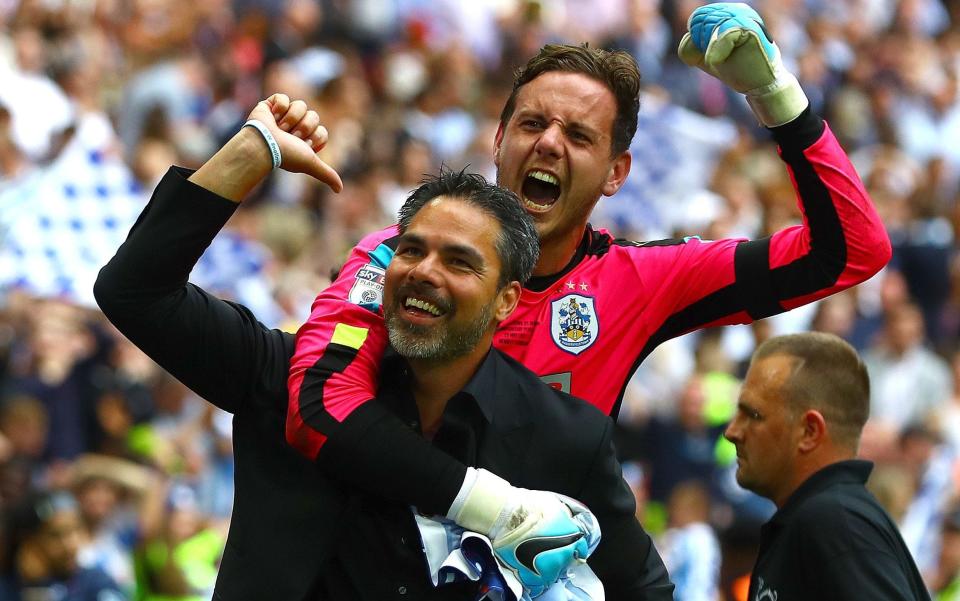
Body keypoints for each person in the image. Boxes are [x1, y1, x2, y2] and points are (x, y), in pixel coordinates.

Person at [285, 0, 891, 544]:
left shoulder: (640, 280)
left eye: (578, 135)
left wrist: (776, 95)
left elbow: (851, 250)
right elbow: (318, 405)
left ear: (615, 173)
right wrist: (491, 506)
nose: (549, 144)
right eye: (531, 124)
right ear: (498, 140)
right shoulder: (402, 259)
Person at [94, 101, 671, 598]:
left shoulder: (563, 436)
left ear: (506, 301)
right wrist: (253, 152)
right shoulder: (285, 373)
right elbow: (133, 292)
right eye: (411, 250)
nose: (424, 272)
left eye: (459, 262)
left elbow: (645, 591)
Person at [723, 332, 930, 600]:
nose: (732, 431)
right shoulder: (824, 519)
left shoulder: (835, 523)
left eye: (752, 414)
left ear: (809, 431)